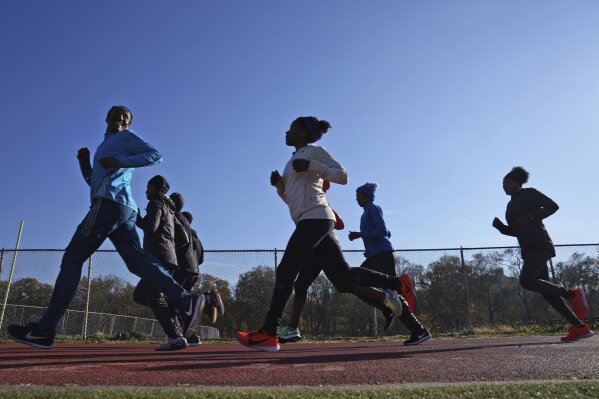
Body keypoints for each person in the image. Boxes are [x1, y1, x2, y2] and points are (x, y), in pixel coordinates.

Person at [7, 106, 204, 349]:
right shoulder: (104, 146)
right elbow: (94, 181)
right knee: (137, 262)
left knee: (73, 257)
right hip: (122, 209)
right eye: (116, 114)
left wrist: (119, 160)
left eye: (126, 117)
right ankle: (185, 300)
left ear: (128, 124)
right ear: (106, 118)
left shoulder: (125, 138)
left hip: (109, 206)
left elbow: (155, 155)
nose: (120, 118)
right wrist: (84, 164)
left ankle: (44, 329)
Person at [235, 116, 411, 352]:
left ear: (304, 134)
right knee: (343, 279)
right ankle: (398, 283)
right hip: (307, 219)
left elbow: (343, 176)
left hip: (317, 218)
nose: (286, 133)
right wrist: (279, 187)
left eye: (292, 129)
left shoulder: (314, 152)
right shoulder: (291, 163)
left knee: (286, 270)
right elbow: (292, 201)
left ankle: (269, 332)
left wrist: (312, 166)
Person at [492, 166, 592, 342]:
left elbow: (553, 206)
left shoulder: (528, 193)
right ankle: (579, 327)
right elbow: (518, 230)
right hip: (528, 250)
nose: (504, 186)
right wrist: (502, 229)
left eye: (507, 182)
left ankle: (572, 295)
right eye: (502, 183)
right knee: (548, 294)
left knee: (526, 281)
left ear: (517, 182)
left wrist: (531, 216)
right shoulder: (510, 204)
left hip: (540, 245)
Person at [347, 182, 430, 345]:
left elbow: (382, 230)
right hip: (376, 255)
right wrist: (369, 247)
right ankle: (408, 322)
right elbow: (387, 232)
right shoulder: (366, 212)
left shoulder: (372, 208)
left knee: (355, 281)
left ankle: (399, 292)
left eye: (359, 195)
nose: (356, 198)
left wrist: (360, 235)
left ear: (367, 196)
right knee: (354, 284)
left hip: (382, 255)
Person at [133, 175, 191, 351]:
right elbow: (183, 238)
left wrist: (136, 216)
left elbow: (151, 227)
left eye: (148, 187)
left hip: (157, 257)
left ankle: (175, 336)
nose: (145, 191)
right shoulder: (170, 210)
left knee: (154, 298)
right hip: (168, 258)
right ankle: (176, 317)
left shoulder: (156, 204)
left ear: (157, 189)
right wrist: (170, 250)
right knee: (140, 295)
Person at [171, 193, 224, 345]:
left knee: (175, 301)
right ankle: (190, 335)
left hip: (181, 268)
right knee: (181, 304)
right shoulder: (196, 237)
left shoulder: (178, 223)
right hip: (194, 271)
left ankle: (206, 300)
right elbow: (201, 258)